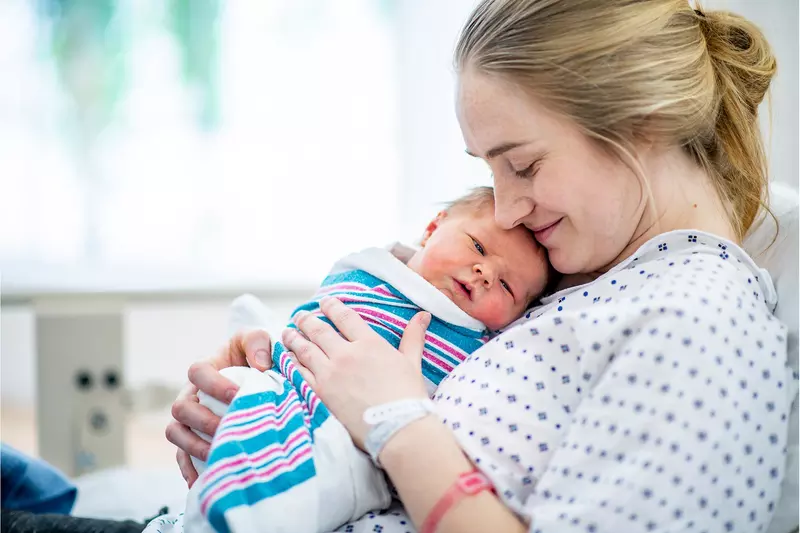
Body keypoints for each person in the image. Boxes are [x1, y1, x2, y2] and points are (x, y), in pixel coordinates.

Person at [167, 1, 793, 532]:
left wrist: (395, 420)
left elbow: (400, 417)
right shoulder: (584, 281)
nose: (507, 208)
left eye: (522, 165)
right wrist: (271, 391)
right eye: (488, 171)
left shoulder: (697, 324)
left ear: (643, 124)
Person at [148, 187, 551, 533]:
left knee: (312, 472)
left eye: (506, 285)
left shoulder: (477, 343)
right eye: (478, 247)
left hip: (342, 433)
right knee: (234, 390)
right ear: (433, 227)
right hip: (283, 378)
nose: (483, 272)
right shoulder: (376, 272)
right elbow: (315, 316)